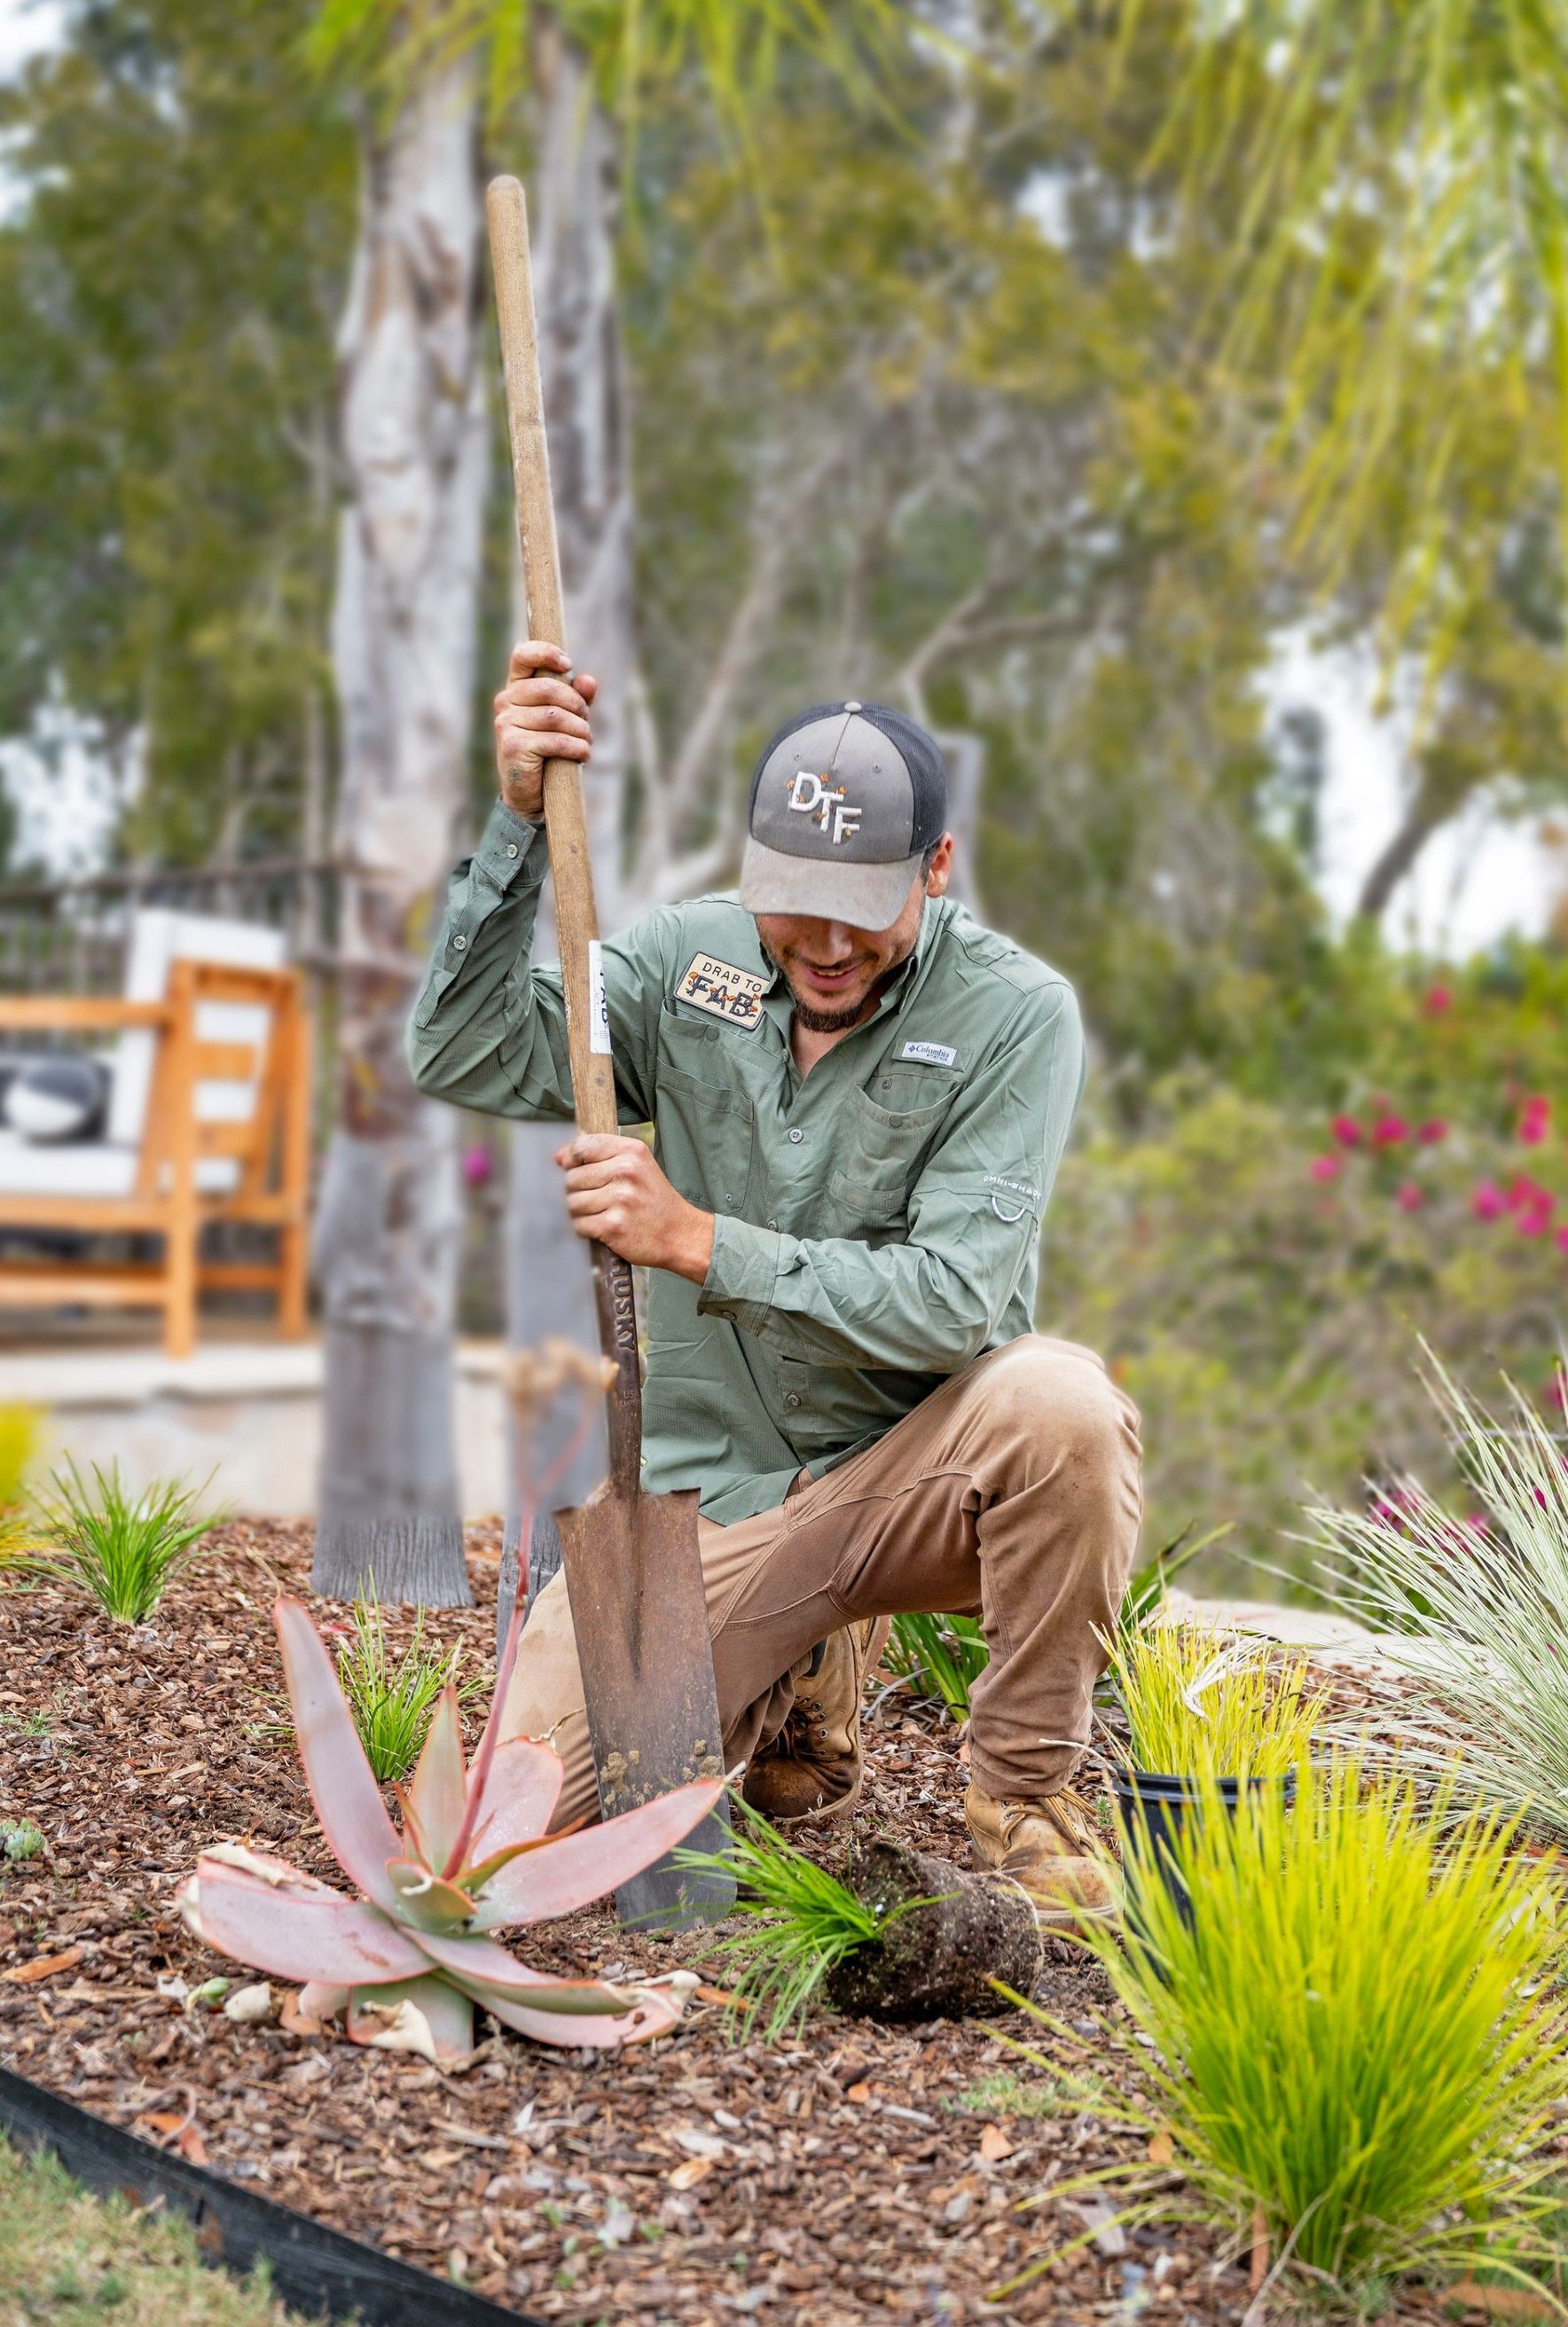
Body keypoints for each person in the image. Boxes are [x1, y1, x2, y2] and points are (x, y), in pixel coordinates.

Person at [407, 644, 1144, 1921]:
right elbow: (463, 1046)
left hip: (907, 1475)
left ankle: (1025, 1794)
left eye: (865, 899)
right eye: (796, 898)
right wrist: (519, 818)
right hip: (710, 1494)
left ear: (937, 869)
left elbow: (960, 1300)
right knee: (521, 1848)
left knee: (1062, 1406)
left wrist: (702, 1241)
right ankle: (796, 1674)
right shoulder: (685, 964)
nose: (827, 940)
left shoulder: (1016, 1015)